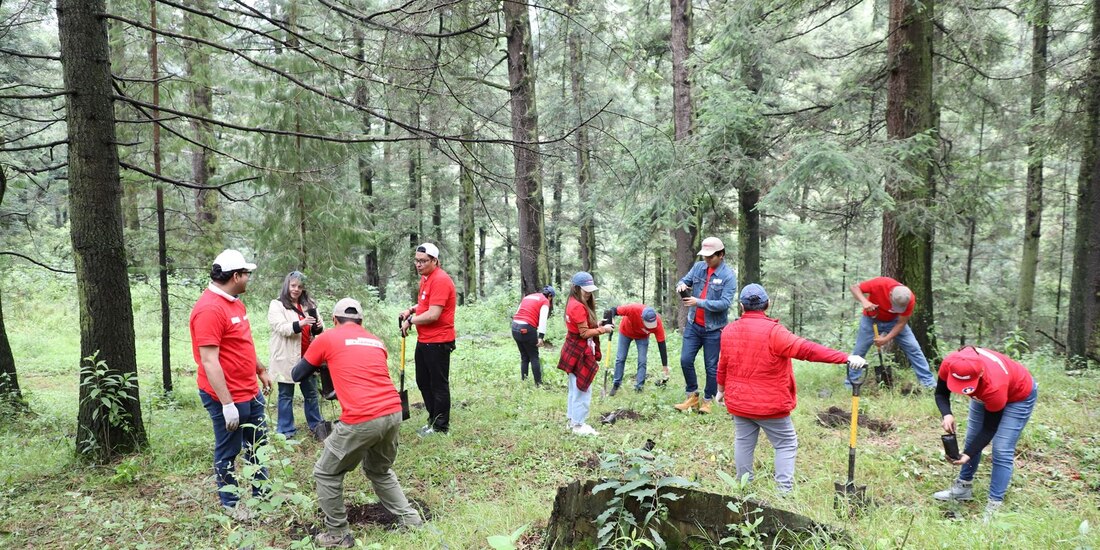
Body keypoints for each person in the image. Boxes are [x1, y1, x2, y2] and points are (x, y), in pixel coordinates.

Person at [291, 298, 423, 547]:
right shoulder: (375, 341)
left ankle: (338, 534)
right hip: (393, 411)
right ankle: (411, 520)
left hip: (362, 417)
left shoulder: (327, 338)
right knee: (379, 470)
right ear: (361, 321)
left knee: (326, 473)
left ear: (334, 320)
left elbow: (297, 374)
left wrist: (321, 362)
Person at [715, 284, 867, 493]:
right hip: (770, 406)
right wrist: (846, 358)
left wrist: (721, 390)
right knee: (785, 443)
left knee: (743, 442)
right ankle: (783, 493)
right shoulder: (775, 333)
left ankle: (743, 489)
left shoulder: (729, 331)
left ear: (741, 306)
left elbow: (723, 364)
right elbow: (808, 350)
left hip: (739, 402)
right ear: (767, 305)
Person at [189, 249, 272, 521]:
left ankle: (263, 496)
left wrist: (260, 369)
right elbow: (209, 361)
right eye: (247, 274)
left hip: (250, 390)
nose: (249, 278)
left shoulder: (235, 302)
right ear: (236, 276)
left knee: (257, 446)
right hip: (226, 396)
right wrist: (227, 405)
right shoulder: (210, 309)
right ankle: (232, 503)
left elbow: (241, 344)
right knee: (228, 450)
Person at [932, 346, 1038, 518]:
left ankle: (994, 505)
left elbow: (989, 428)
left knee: (1001, 449)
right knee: (972, 438)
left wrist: (967, 454)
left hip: (1018, 396)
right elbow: (941, 393)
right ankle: (963, 488)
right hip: (984, 393)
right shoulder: (950, 363)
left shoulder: (994, 387)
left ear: (979, 375)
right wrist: (947, 414)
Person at [398, 243, 456, 436]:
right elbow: (425, 303)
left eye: (423, 261)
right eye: (416, 260)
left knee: (438, 384)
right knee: (423, 381)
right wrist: (412, 310)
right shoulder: (426, 278)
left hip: (439, 341)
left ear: (435, 261)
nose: (419, 264)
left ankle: (441, 427)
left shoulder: (440, 280)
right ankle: (432, 420)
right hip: (425, 340)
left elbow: (433, 314)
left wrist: (410, 321)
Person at [674, 236, 737, 414]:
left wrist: (699, 302)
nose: (707, 260)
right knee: (685, 360)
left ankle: (708, 400)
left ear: (721, 255)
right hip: (694, 324)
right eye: (705, 256)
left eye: (711, 257)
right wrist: (682, 286)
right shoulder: (698, 268)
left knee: (711, 366)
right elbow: (684, 280)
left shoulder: (728, 276)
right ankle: (692, 396)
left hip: (714, 329)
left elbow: (725, 303)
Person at [849, 276, 936, 388]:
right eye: (895, 305)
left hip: (894, 322)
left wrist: (886, 339)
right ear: (890, 295)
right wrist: (864, 301)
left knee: (914, 349)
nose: (896, 309)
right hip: (871, 320)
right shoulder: (880, 284)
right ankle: (851, 384)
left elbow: (901, 323)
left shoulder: (910, 299)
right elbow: (854, 288)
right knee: (859, 351)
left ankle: (929, 384)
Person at [267, 271, 324, 440]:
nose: (296, 289)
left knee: (311, 393)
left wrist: (318, 325)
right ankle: (285, 430)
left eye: (300, 286)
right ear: (287, 285)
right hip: (286, 356)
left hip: (307, 358)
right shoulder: (277, 305)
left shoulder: (309, 304)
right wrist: (301, 323)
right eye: (293, 285)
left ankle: (316, 425)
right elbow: (281, 328)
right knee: (285, 394)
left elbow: (319, 330)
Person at [557, 271, 614, 436]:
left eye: (590, 289)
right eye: (585, 289)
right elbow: (583, 333)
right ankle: (578, 425)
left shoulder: (574, 302)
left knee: (575, 388)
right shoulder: (577, 306)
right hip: (580, 351)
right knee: (583, 388)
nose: (589, 292)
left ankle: (572, 420)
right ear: (576, 288)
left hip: (573, 348)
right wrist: (603, 329)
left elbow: (583, 327)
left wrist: (597, 324)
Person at [605, 303, 669, 394]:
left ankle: (639, 387)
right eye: (648, 324)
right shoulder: (633, 309)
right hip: (625, 332)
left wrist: (665, 367)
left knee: (642, 360)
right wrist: (611, 319)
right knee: (620, 358)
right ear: (642, 318)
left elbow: (662, 345)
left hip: (642, 337)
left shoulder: (657, 324)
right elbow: (613, 310)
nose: (650, 326)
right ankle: (616, 384)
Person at [511, 285, 556, 386]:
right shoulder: (545, 301)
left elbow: (518, 311)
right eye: (551, 298)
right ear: (549, 295)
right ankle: (538, 384)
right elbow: (543, 319)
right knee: (534, 357)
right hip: (527, 328)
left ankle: (524, 382)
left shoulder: (528, 296)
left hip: (514, 327)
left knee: (524, 357)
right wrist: (541, 337)